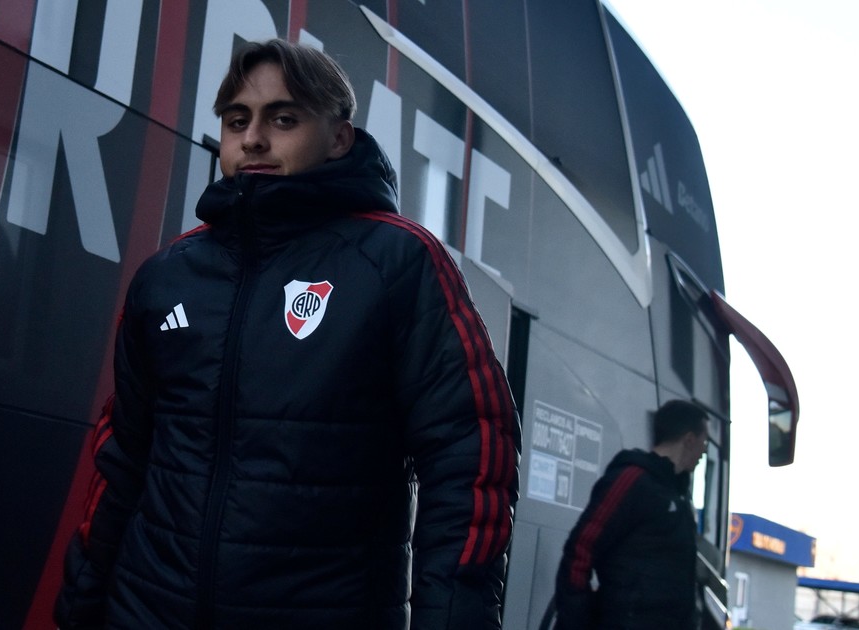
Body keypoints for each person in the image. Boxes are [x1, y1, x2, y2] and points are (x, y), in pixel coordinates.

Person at [55, 38, 520, 630]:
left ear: (339, 137)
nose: (253, 139)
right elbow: (123, 457)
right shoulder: (167, 275)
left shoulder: (401, 262)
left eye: (283, 119)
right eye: (237, 121)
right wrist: (81, 604)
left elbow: (470, 460)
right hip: (144, 612)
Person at [553, 399, 710, 630]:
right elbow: (580, 551)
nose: (704, 451)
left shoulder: (678, 496)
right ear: (689, 440)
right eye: (704, 441)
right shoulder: (632, 480)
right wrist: (577, 621)